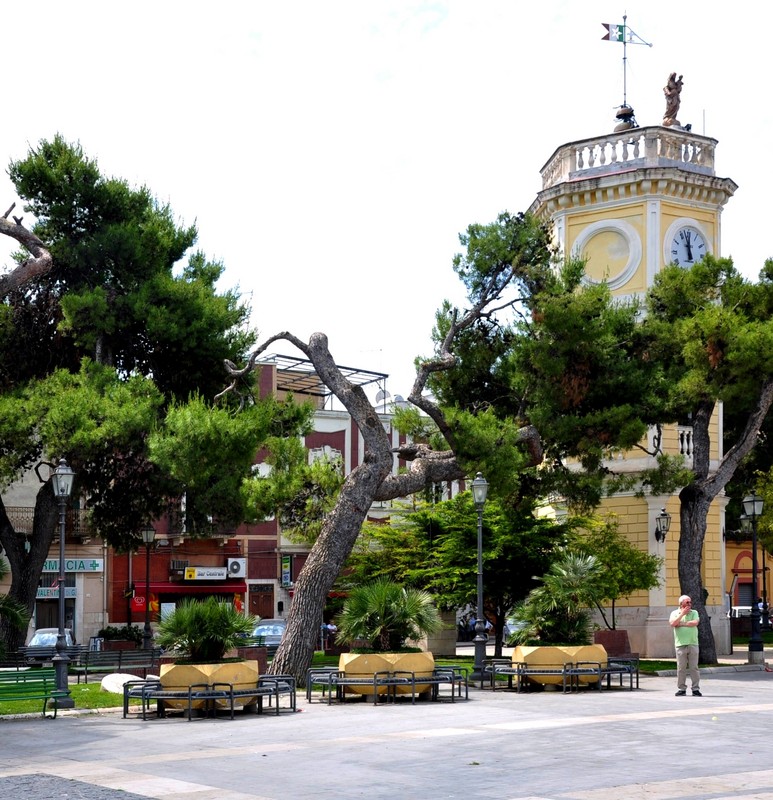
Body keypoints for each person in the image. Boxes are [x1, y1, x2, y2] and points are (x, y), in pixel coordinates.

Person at [669, 594, 701, 696]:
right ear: (681, 603)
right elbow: (673, 623)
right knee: (681, 668)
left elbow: (695, 623)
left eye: (690, 602)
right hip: (680, 644)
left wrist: (681, 624)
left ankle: (695, 689)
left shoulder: (694, 612)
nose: (690, 604)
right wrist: (682, 614)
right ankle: (682, 689)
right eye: (687, 602)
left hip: (693, 643)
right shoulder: (675, 613)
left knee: (694, 668)